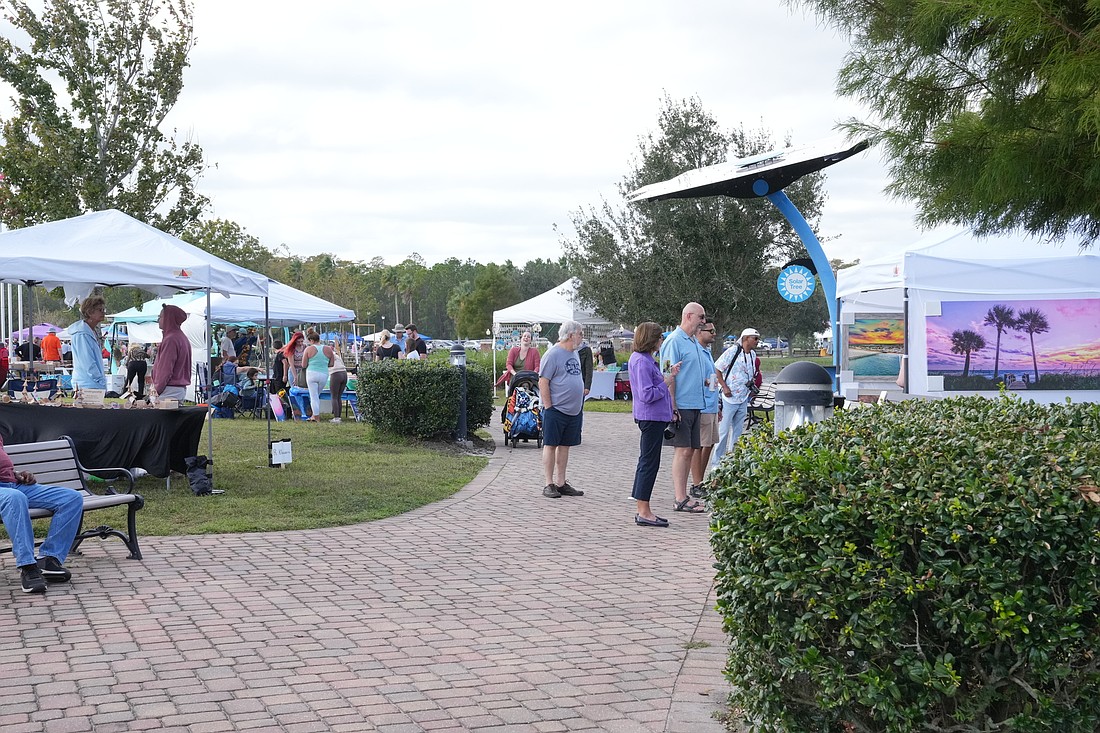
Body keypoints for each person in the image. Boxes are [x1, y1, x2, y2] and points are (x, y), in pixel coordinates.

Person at [0, 433, 84, 593]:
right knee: (16, 498)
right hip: (9, 493)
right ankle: (28, 566)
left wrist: (17, 474)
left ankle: (48, 559)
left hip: (12, 484)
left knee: (71, 498)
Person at [658, 302, 708, 514]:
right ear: (688, 316)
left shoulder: (694, 342)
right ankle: (679, 498)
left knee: (690, 450)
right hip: (682, 405)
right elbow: (668, 374)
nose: (704, 322)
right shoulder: (674, 341)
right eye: (701, 317)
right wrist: (673, 406)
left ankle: (684, 495)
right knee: (683, 450)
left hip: (695, 404)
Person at [628, 322, 678, 527]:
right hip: (650, 417)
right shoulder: (642, 361)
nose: (661, 341)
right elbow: (646, 394)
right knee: (648, 463)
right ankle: (643, 510)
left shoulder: (647, 359)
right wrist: (666, 383)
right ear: (651, 339)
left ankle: (643, 507)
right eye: (659, 338)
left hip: (656, 417)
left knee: (649, 462)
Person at [538, 320, 586, 499]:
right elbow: (543, 381)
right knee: (551, 445)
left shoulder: (574, 353)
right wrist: (549, 406)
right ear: (571, 335)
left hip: (573, 411)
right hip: (556, 409)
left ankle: (561, 482)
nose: (582, 337)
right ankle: (548, 483)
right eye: (580, 333)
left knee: (565, 445)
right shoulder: (553, 354)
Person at [710, 328, 761, 470]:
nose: (757, 341)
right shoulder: (733, 351)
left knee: (738, 431)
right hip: (729, 398)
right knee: (724, 431)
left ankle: (733, 460)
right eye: (754, 338)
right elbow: (717, 369)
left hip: (743, 397)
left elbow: (751, 374)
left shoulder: (752, 355)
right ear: (745, 338)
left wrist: (751, 390)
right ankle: (716, 463)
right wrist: (724, 387)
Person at [691, 319, 724, 497]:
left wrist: (718, 404)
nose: (714, 334)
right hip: (701, 404)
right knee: (699, 445)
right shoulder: (696, 351)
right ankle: (696, 483)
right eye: (710, 331)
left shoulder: (708, 352)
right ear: (699, 332)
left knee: (710, 443)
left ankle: (701, 480)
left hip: (711, 403)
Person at [149, 304, 192, 404]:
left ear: (168, 318)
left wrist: (157, 390)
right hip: (177, 389)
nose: (158, 320)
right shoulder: (181, 337)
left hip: (168, 390)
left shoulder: (171, 339)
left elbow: (165, 370)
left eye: (160, 317)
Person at [69, 295, 108, 391]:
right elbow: (87, 361)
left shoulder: (90, 331)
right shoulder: (82, 334)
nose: (103, 313)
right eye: (100, 310)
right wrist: (100, 380)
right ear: (90, 312)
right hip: (87, 384)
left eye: (103, 309)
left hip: (91, 383)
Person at [301, 330, 334, 422]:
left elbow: (303, 365)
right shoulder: (328, 349)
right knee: (317, 395)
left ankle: (316, 417)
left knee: (313, 396)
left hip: (311, 373)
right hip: (324, 374)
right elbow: (331, 364)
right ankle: (314, 415)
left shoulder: (308, 349)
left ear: (311, 340)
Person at [328, 341, 349, 423]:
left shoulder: (328, 355)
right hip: (344, 373)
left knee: (334, 396)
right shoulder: (336, 355)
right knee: (338, 397)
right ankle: (338, 417)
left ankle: (336, 418)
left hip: (336, 373)